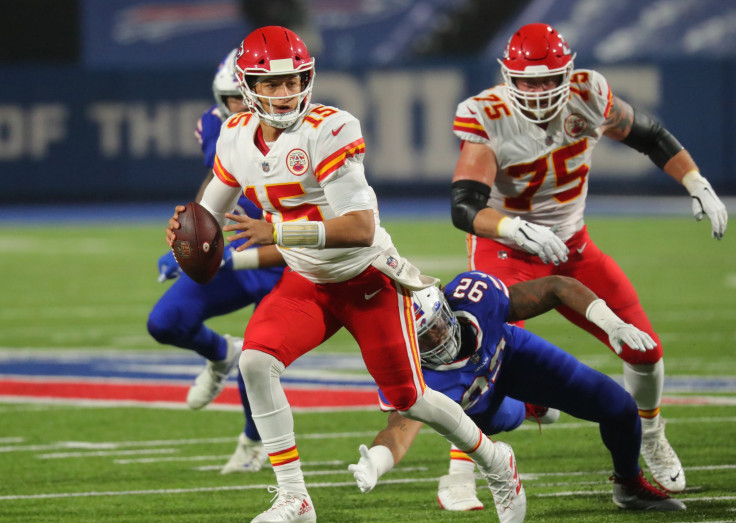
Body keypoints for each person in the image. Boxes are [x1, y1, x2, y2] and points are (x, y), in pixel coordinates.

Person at [166, 26, 526, 523]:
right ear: (248, 87)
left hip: (367, 281)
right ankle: (296, 498)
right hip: (308, 284)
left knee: (411, 399)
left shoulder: (329, 127)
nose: (284, 92)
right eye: (271, 84)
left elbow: (360, 228)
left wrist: (278, 231)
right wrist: (190, 237)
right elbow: (210, 217)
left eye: (293, 81)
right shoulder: (234, 136)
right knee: (254, 364)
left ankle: (496, 460)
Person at [449, 22, 728, 493]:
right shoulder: (487, 113)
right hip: (509, 246)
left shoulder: (589, 94)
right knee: (482, 349)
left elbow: (651, 135)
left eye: (547, 79)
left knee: (644, 347)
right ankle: (463, 470)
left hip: (574, 247)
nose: (538, 92)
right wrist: (517, 227)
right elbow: (465, 206)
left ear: (569, 72)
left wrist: (695, 181)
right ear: (507, 77)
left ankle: (652, 434)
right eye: (527, 81)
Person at [349, 271, 687, 512]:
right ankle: (528, 407)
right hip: (481, 409)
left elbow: (556, 287)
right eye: (423, 338)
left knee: (619, 406)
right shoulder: (410, 374)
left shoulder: (476, 299)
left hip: (514, 356)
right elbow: (399, 431)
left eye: (436, 326)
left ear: (446, 308)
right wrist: (375, 463)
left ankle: (628, 487)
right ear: (406, 343)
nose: (437, 338)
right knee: (507, 417)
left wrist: (610, 322)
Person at [148, 48, 284, 474]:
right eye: (234, 98)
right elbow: (217, 179)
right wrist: (193, 237)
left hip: (289, 256)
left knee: (257, 360)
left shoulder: (303, 132)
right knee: (166, 321)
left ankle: (253, 441)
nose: (242, 107)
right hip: (240, 247)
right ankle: (220, 353)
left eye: (250, 95)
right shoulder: (216, 125)